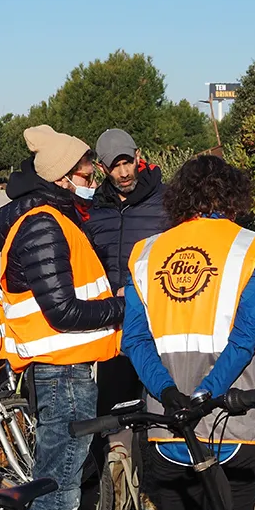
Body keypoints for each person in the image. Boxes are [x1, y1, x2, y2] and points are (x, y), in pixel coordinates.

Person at [121, 155, 255, 510]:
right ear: (233, 196)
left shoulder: (146, 252)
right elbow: (245, 339)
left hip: (166, 423)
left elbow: (135, 340)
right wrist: (205, 394)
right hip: (231, 420)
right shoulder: (252, 248)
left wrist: (169, 392)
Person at [0, 124, 125, 510]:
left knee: (56, 480)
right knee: (58, 488)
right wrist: (124, 307)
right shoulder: (43, 225)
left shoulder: (52, 218)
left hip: (65, 369)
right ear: (61, 178)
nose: (92, 184)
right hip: (62, 373)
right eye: (86, 176)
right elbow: (62, 311)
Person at [85, 128, 169, 417]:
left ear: (138, 156)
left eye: (127, 162)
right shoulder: (94, 208)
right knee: (116, 412)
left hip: (160, 321)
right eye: (114, 166)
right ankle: (121, 459)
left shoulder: (168, 201)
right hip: (116, 323)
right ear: (101, 168)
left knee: (166, 407)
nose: (123, 172)